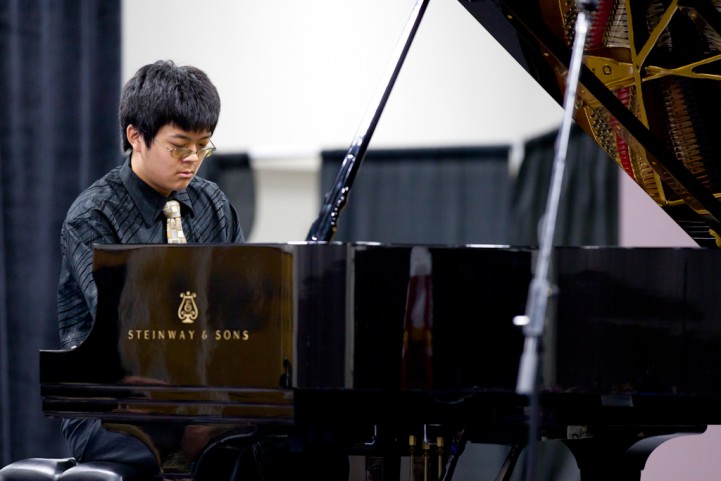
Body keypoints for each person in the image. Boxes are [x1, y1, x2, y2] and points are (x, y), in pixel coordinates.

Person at [56, 60, 328, 481]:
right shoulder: (93, 216)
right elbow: (127, 333)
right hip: (111, 405)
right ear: (135, 137)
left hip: (204, 396)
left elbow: (243, 305)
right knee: (205, 439)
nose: (194, 159)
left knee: (308, 439)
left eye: (204, 146)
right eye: (180, 146)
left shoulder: (213, 204)